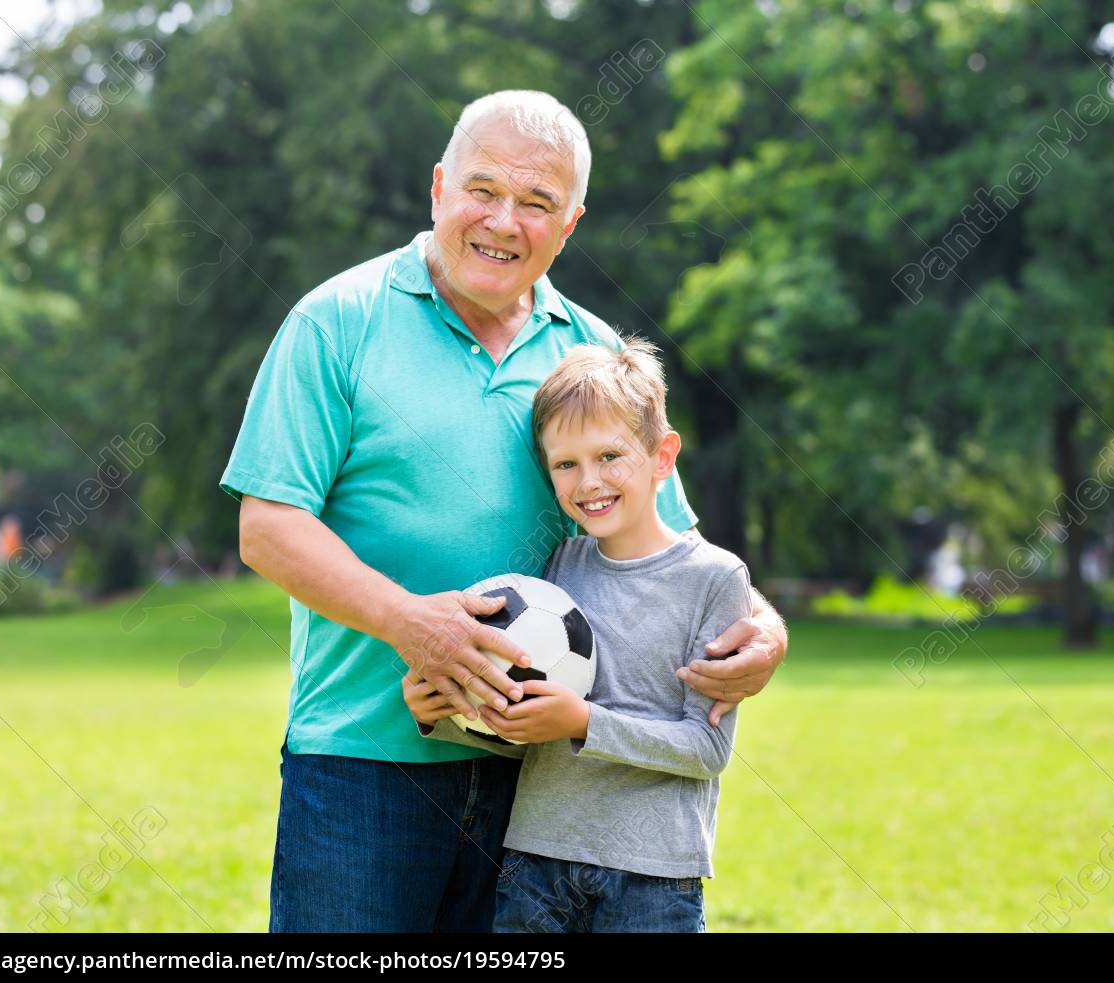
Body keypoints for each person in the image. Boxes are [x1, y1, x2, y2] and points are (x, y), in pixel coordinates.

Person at [222, 89, 788, 933]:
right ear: (440, 187)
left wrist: (764, 627)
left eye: (537, 203)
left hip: (544, 784)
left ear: (571, 223)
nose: (502, 220)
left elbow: (670, 543)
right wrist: (415, 624)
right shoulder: (337, 320)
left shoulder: (592, 358)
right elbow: (268, 528)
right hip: (365, 763)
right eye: (483, 190)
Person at [403, 338, 748, 933]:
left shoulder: (716, 578)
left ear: (662, 455)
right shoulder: (557, 569)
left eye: (610, 455)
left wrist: (585, 724)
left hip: (653, 876)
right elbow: (532, 727)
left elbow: (707, 750)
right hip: (535, 864)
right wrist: (444, 711)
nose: (589, 482)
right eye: (566, 464)